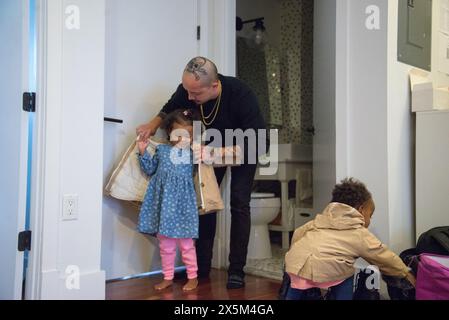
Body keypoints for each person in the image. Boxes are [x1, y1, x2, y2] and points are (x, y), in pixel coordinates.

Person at [136, 56, 267, 289]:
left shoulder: (241, 95)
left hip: (242, 148)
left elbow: (257, 143)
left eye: (195, 94)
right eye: (187, 91)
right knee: (204, 203)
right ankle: (201, 268)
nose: (189, 98)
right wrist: (151, 126)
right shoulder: (188, 90)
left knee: (239, 202)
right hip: (207, 148)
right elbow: (169, 109)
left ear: (214, 86)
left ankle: (236, 270)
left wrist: (216, 153)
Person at [284, 178, 416, 300]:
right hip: (327, 271)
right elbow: (383, 255)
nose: (370, 220)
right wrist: (405, 272)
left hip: (295, 267)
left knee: (295, 284)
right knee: (347, 272)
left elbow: (298, 234)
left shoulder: (318, 221)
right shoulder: (357, 232)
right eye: (370, 215)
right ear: (361, 210)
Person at [137, 109, 200, 291]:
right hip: (163, 206)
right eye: (177, 134)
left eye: (187, 135)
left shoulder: (193, 154)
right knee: (166, 245)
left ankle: (193, 277)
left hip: (184, 206)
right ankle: (168, 277)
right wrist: (143, 152)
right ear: (169, 132)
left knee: (187, 245)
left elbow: (203, 172)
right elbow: (149, 169)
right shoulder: (162, 150)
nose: (182, 139)